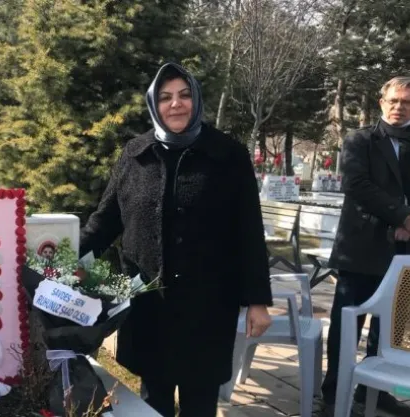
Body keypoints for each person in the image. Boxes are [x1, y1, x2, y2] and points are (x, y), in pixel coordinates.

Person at [79, 62, 273, 417]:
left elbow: (249, 230)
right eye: (165, 97)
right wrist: (64, 260)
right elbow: (105, 220)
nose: (175, 104)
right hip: (150, 306)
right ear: (154, 104)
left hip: (208, 306)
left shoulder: (229, 155)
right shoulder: (135, 154)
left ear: (196, 100)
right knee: (154, 400)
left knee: (200, 401)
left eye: (184, 95)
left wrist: (258, 300)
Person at [323, 77, 410, 417]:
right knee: (347, 326)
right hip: (361, 249)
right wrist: (403, 216)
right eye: (393, 100)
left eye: (407, 102)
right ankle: (334, 394)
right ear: (382, 102)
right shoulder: (359, 140)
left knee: (392, 329)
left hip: (408, 254)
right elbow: (357, 185)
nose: (399, 107)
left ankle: (375, 393)